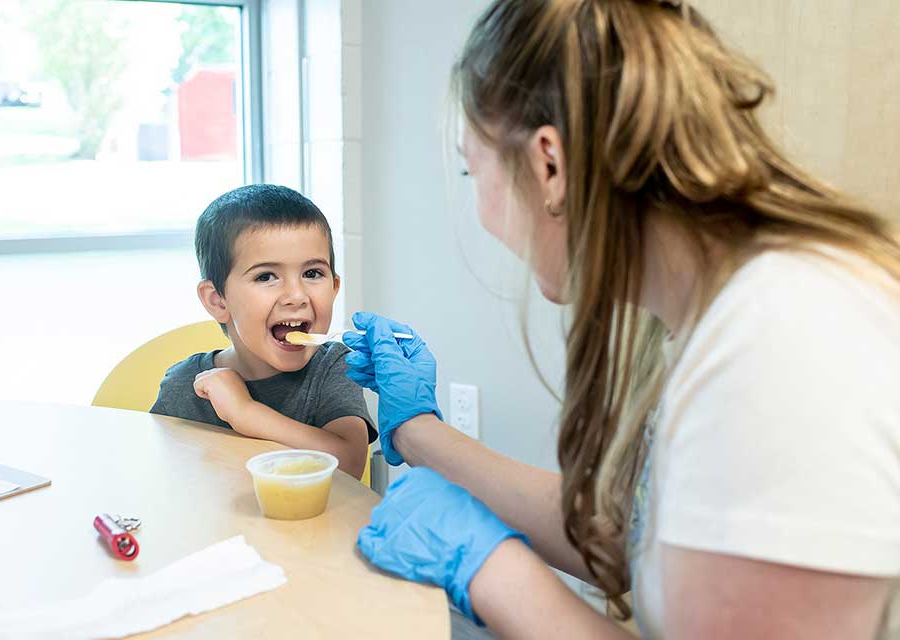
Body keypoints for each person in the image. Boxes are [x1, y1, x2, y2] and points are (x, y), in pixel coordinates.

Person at [343, 0, 900, 637]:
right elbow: (633, 531)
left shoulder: (783, 340)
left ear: (548, 164)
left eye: (475, 169)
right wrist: (417, 432)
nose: (482, 211)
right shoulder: (704, 311)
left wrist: (494, 571)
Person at [150, 184, 376, 479]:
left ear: (334, 288)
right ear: (218, 300)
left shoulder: (332, 367)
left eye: (312, 274)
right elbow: (156, 477)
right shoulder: (184, 388)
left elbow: (348, 464)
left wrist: (245, 413)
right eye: (266, 276)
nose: (296, 295)